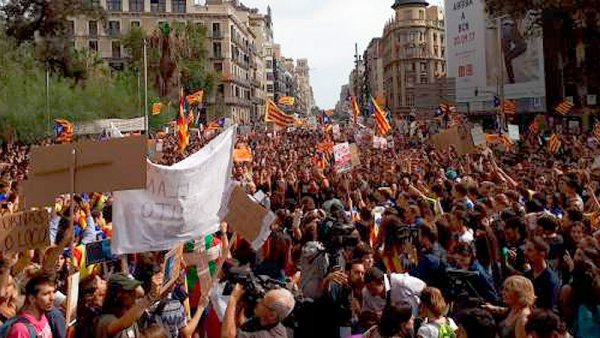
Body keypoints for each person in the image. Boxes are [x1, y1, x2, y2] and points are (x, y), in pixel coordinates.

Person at [95, 272, 163, 338]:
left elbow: (141, 293)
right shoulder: (106, 320)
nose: (134, 294)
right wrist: (151, 295)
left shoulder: (132, 315)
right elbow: (122, 324)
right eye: (130, 291)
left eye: (134, 290)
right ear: (118, 295)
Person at [222, 284, 295, 338]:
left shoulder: (266, 336)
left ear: (272, 315)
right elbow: (244, 326)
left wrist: (233, 299)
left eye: (263, 302)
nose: (258, 301)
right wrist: (241, 304)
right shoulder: (265, 319)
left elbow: (227, 336)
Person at [6, 273, 55, 338]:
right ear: (32, 299)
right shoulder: (20, 329)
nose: (52, 298)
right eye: (46, 294)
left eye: (53, 292)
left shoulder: (42, 316)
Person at [524, 237, 560, 310]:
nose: (525, 253)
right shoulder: (527, 276)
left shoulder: (550, 280)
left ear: (542, 254)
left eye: (530, 250)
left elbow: (549, 309)